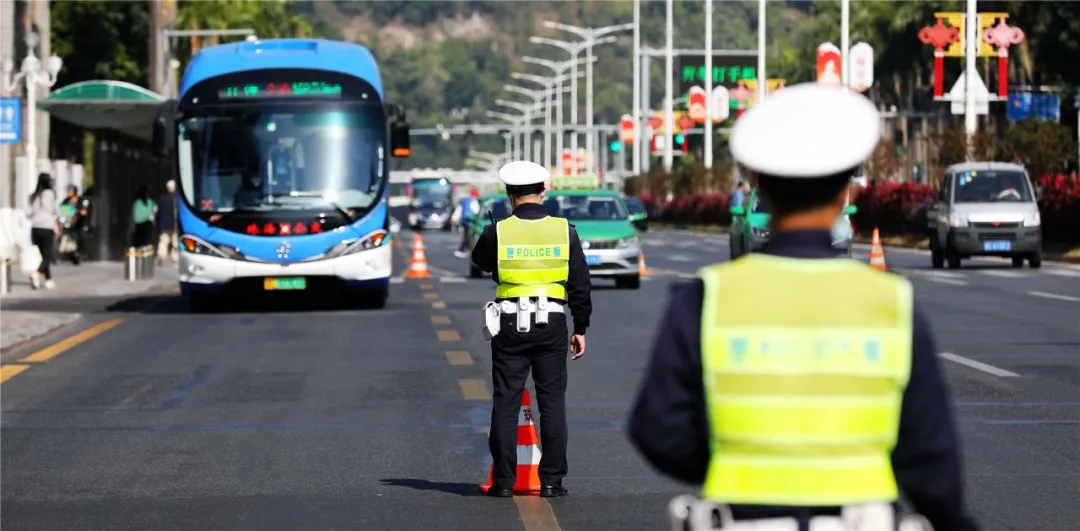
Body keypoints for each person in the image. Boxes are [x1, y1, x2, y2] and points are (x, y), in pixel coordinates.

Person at [627, 84, 979, 531]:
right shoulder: (891, 303)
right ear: (846, 191)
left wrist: (735, 467)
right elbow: (930, 457)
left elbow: (657, 429)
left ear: (758, 185)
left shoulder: (705, 299)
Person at [471, 160, 592, 498]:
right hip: (553, 322)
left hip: (509, 323)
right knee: (552, 402)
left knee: (506, 402)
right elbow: (580, 283)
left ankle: (504, 482)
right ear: (544, 191)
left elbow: (480, 261)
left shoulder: (498, 231)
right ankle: (552, 481)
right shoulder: (565, 230)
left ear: (509, 194)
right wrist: (579, 326)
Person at [26, 173, 61, 288]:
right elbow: (55, 210)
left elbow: (28, 213)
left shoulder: (34, 195)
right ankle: (36, 273)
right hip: (47, 226)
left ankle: (48, 279)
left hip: (35, 227)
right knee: (48, 255)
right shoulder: (50, 194)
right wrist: (57, 222)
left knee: (43, 254)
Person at [454, 188, 481, 258]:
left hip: (464, 221)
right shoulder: (474, 201)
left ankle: (465, 250)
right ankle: (461, 250)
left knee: (466, 236)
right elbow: (476, 211)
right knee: (468, 237)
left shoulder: (465, 201)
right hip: (470, 221)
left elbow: (459, 210)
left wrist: (454, 218)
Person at [157, 180, 179, 264]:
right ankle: (175, 259)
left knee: (163, 241)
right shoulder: (177, 199)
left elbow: (159, 212)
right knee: (175, 243)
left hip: (164, 225)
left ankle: (161, 256)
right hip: (174, 224)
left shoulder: (162, 198)